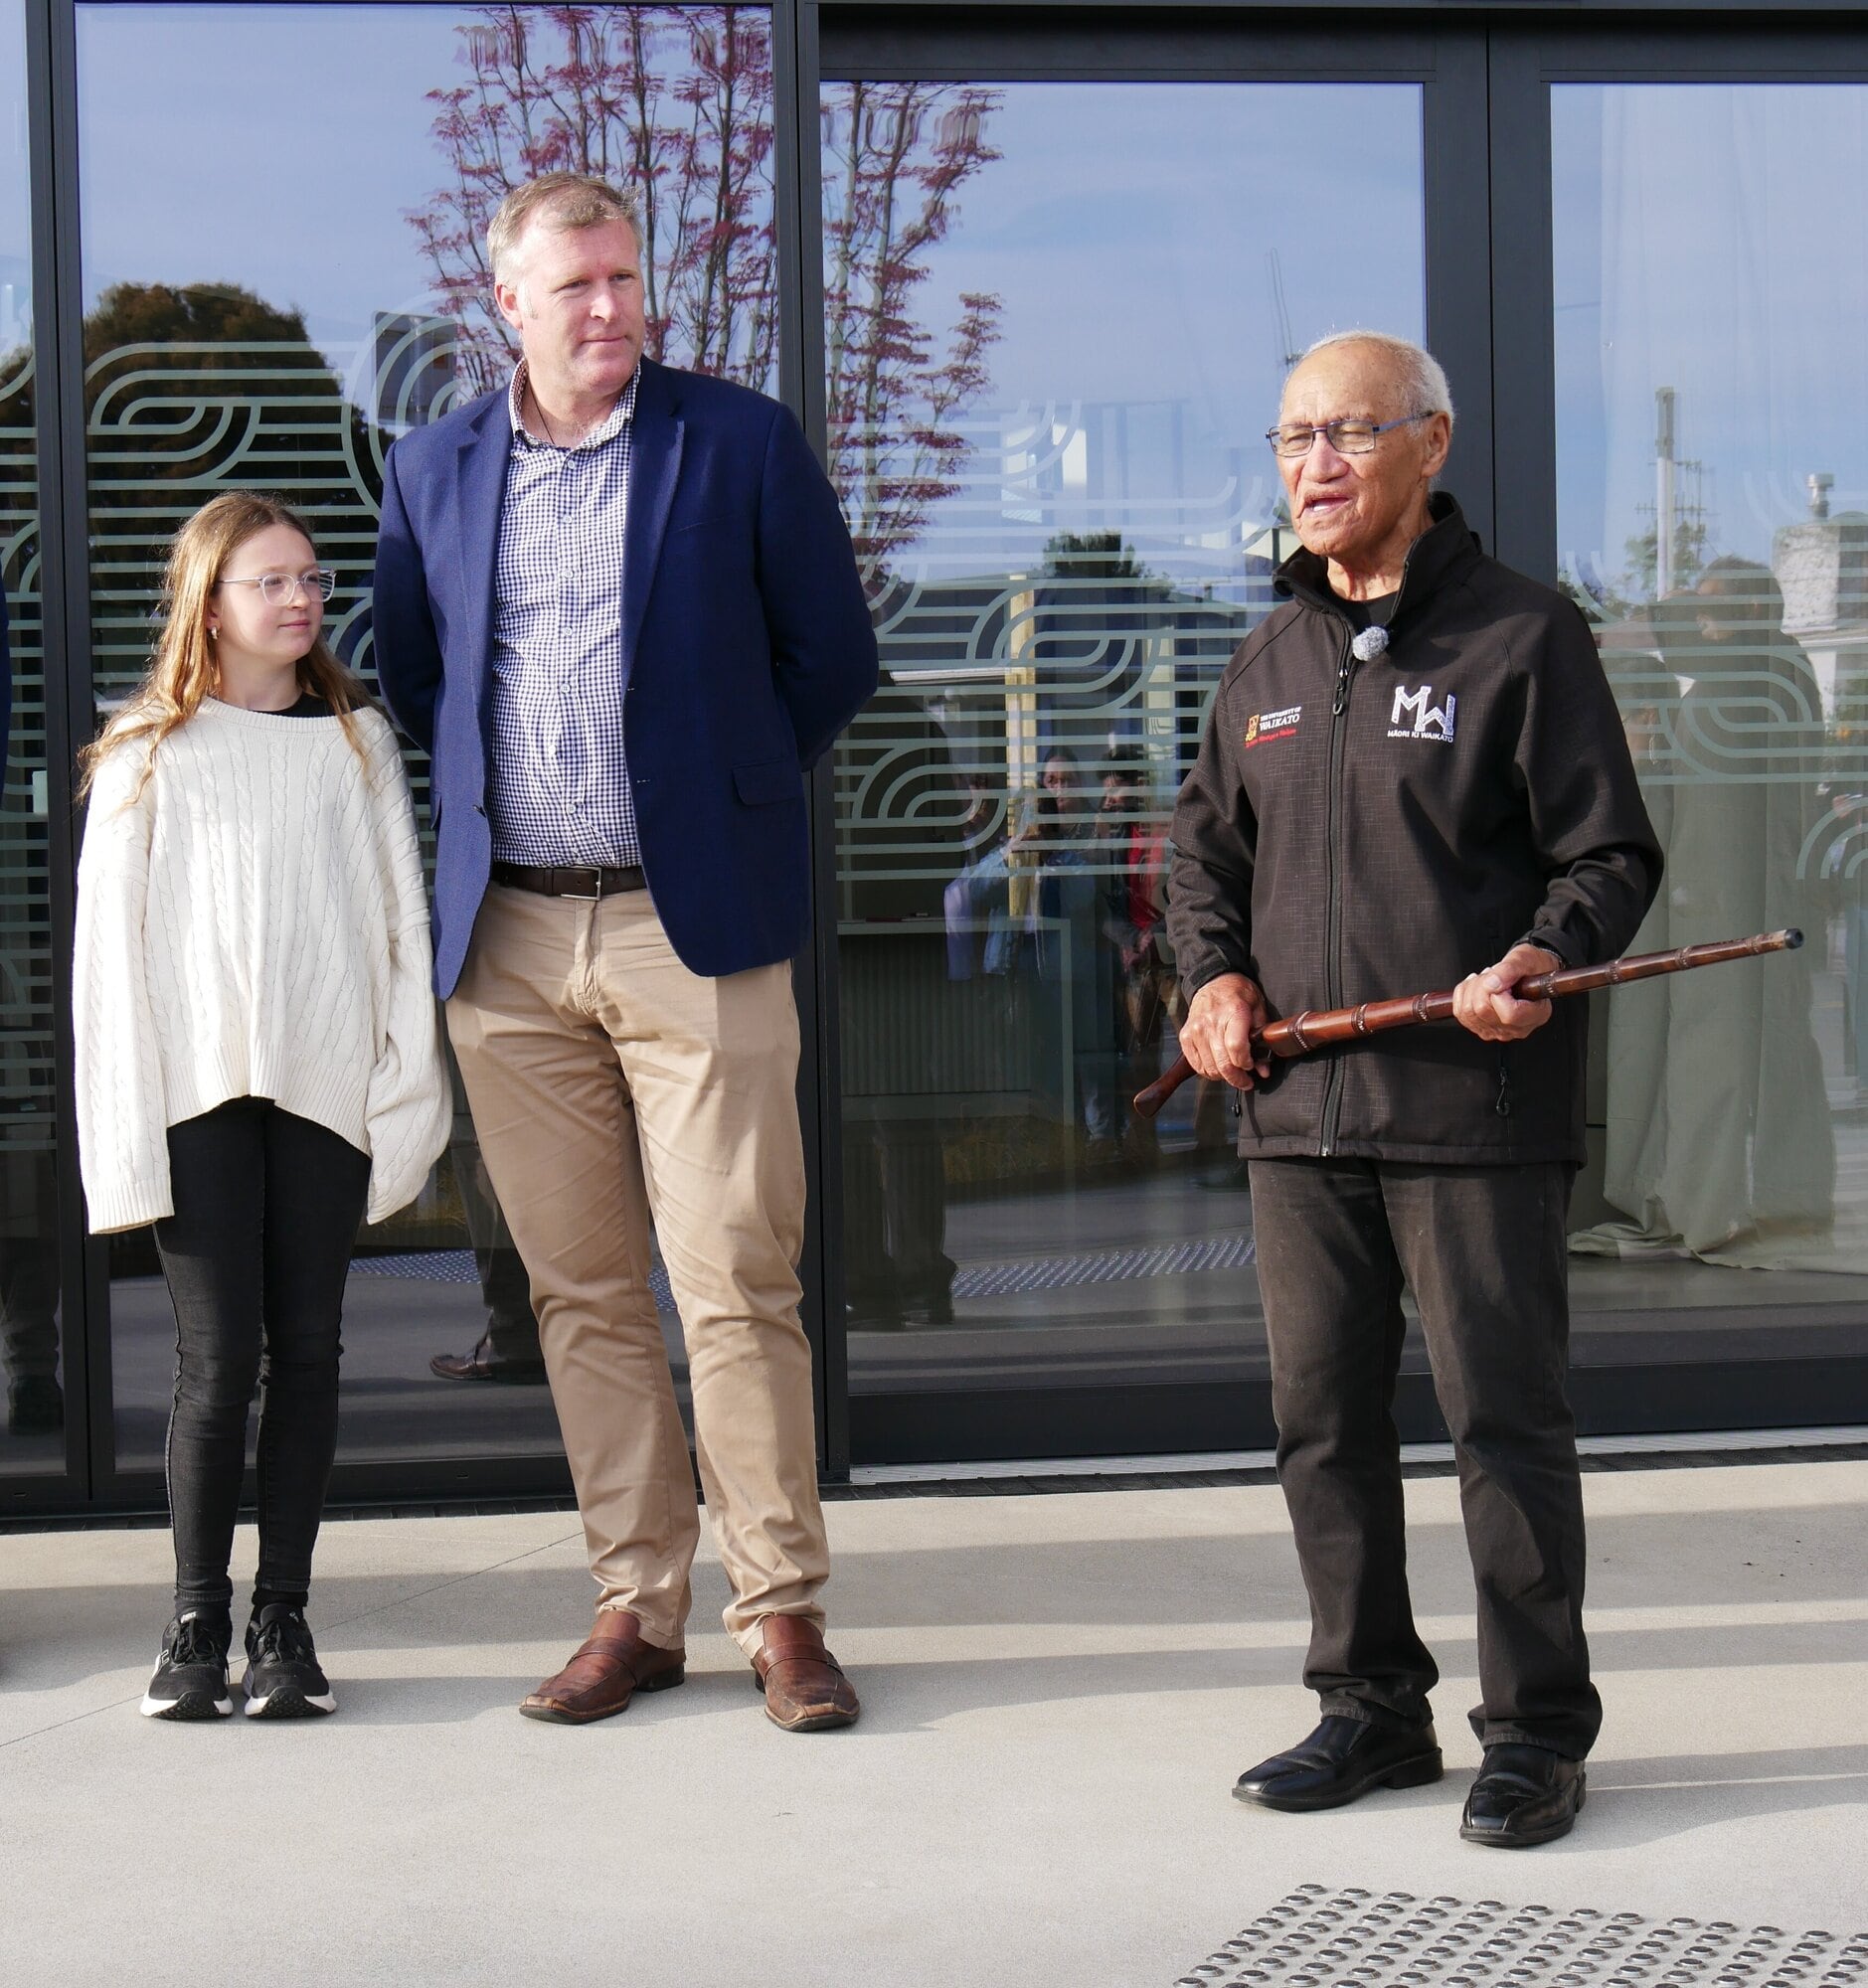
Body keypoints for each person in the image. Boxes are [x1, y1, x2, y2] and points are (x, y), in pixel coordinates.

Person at [373, 171, 878, 1730]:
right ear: (505, 300)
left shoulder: (734, 442)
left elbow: (831, 659)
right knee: (580, 1292)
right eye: (573, 284)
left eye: (623, 278)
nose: (608, 307)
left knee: (732, 1274)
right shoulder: (436, 467)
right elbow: (414, 673)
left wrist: (717, 794)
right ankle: (635, 1606)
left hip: (693, 927)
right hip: (509, 940)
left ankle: (776, 1609)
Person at [1168, 332, 1661, 1847]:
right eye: (1290, 438)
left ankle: (1532, 1732)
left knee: (1500, 1426)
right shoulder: (1261, 662)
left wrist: (1537, 953)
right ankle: (1366, 1707)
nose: (1314, 465)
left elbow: (1607, 853)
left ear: (1428, 445)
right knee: (1320, 1421)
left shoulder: (1521, 639)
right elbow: (1202, 858)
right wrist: (1210, 982)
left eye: (1348, 433)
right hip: (1295, 1120)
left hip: (1468, 1114)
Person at [73, 491, 450, 1721]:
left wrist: (402, 1091)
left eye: (310, 578)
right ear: (209, 602)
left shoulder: (358, 741)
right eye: (269, 581)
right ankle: (194, 1620)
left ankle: (282, 1616)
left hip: (325, 1092)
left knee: (312, 1351)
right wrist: (124, 1131)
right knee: (216, 1357)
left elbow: (403, 928)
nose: (300, 600)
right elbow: (107, 964)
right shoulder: (143, 751)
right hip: (195, 1100)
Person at [1572, 561, 1834, 1265]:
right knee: (1775, 1055)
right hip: (1752, 901)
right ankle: (1783, 1199)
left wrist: (1633, 626)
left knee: (1715, 1061)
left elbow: (1715, 828)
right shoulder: (1768, 675)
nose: (1699, 622)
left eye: (1712, 610)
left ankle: (1706, 1207)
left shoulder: (1748, 681)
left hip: (1727, 909)